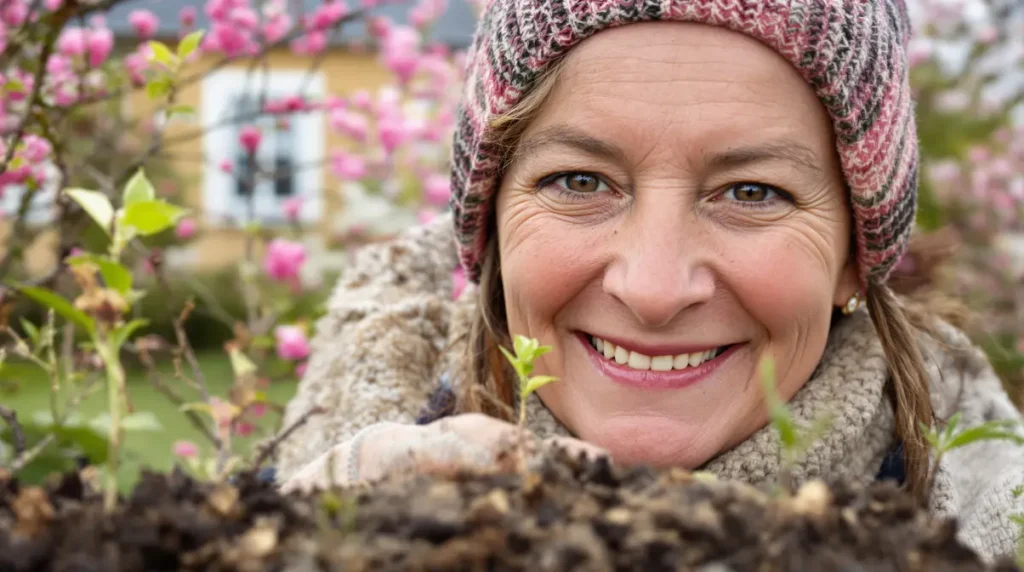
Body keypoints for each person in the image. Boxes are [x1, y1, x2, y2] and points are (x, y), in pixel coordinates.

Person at [274, 0, 1024, 561]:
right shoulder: (308, 495)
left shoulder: (997, 521)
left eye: (753, 192)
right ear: (494, 223)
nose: (654, 288)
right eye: (578, 180)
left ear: (855, 256)